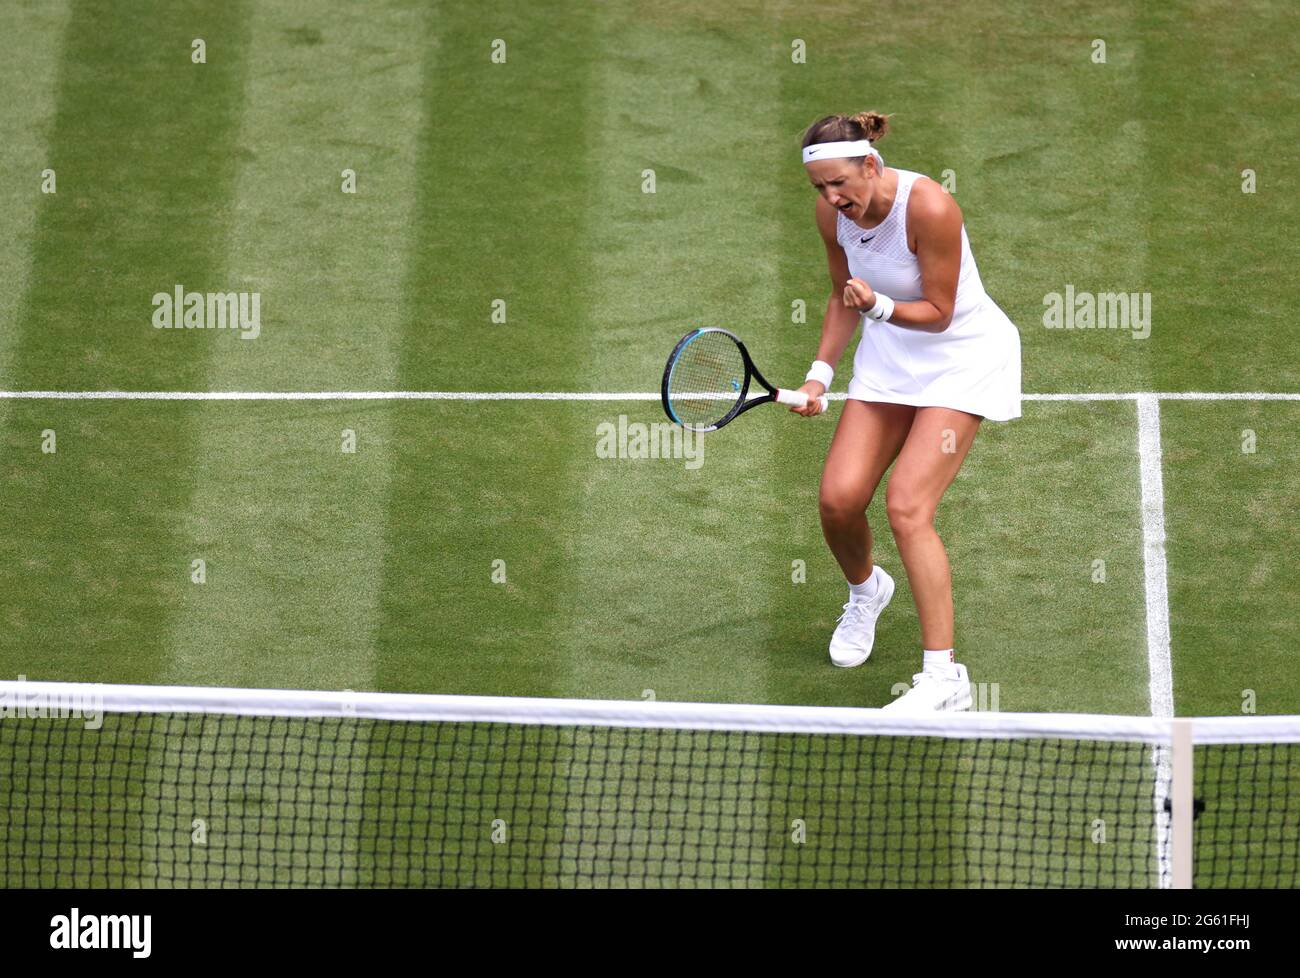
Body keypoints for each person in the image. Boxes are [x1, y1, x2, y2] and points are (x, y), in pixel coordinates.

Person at [793, 111, 1021, 713]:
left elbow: (941, 311)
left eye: (840, 183)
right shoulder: (831, 214)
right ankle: (867, 592)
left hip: (961, 358)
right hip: (890, 359)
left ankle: (945, 679)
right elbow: (843, 297)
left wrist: (881, 306)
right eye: (820, 188)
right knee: (838, 500)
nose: (831, 197)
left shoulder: (930, 207)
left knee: (907, 507)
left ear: (872, 164)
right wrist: (819, 376)